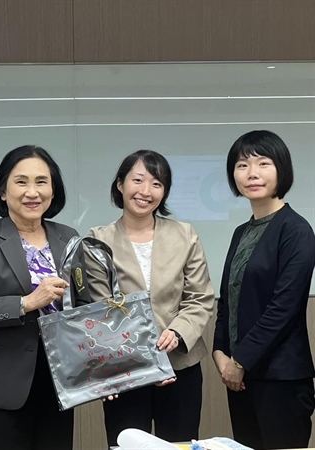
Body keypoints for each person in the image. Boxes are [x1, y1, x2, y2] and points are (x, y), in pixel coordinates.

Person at [0, 145, 90, 450]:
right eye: (21, 182)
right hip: (3, 384)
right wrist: (26, 303)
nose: (33, 192)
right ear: (3, 191)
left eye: (42, 182)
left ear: (53, 191)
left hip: (59, 383)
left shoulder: (68, 237)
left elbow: (84, 306)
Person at [86, 150, 215, 446]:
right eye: (138, 180)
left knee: (180, 444)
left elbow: (200, 297)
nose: (146, 191)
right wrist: (147, 362)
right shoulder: (98, 239)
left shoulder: (185, 234)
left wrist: (178, 331)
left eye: (157, 184)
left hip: (180, 366)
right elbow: (102, 308)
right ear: (120, 185)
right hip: (125, 371)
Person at [212, 130, 315, 450]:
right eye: (242, 165)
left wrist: (239, 361)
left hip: (281, 380)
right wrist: (219, 352)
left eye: (263, 163)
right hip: (241, 379)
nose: (252, 173)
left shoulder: (297, 230)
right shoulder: (241, 231)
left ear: (281, 169)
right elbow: (228, 300)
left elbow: (283, 309)